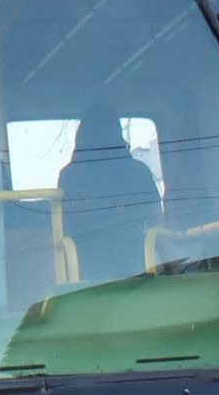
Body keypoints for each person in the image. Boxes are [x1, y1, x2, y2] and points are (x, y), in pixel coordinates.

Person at [58, 104, 162, 281]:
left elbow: (62, 223)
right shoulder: (138, 171)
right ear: (117, 132)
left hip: (84, 263)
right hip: (136, 260)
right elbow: (157, 220)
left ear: (81, 135)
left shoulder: (69, 176)